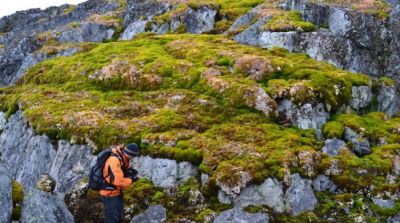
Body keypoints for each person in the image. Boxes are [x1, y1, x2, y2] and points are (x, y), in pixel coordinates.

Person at [100, 143, 140, 223]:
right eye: (133, 157)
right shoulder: (114, 160)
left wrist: (131, 173)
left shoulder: (123, 158)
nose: (132, 159)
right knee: (112, 220)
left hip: (117, 192)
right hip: (109, 194)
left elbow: (126, 170)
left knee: (119, 217)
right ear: (130, 154)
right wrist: (132, 180)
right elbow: (118, 181)